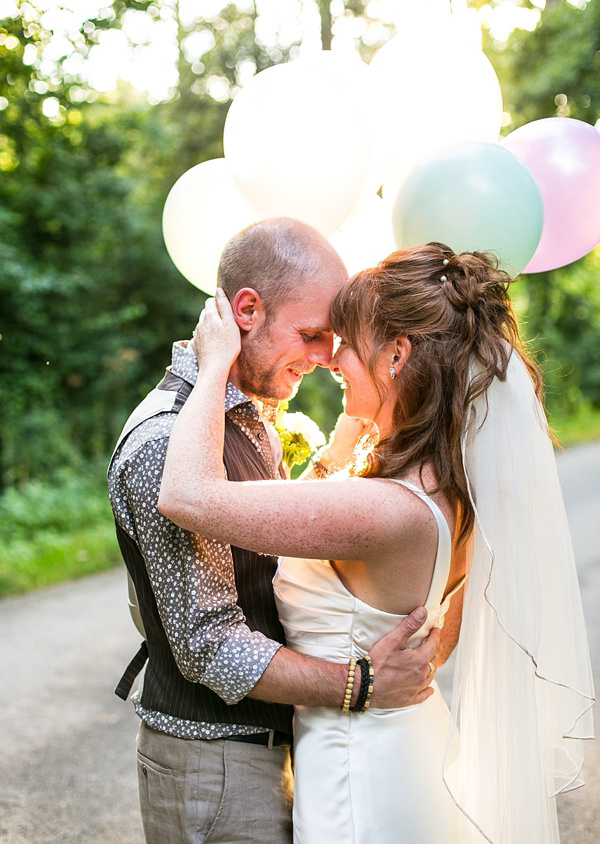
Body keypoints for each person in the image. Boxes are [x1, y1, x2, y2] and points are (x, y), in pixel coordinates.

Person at [158, 242, 595, 844]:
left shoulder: (386, 511)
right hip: (401, 743)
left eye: (347, 341)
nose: (332, 360)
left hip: (359, 773)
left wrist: (212, 364)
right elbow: (434, 645)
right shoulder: (449, 484)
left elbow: (186, 497)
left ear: (397, 354)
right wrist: (358, 428)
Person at [107, 218, 444, 844]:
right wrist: (361, 683)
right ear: (247, 310)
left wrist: (338, 450)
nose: (323, 357)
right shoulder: (165, 440)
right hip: (213, 763)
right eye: (312, 335)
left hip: (269, 751)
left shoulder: (247, 412)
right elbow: (211, 645)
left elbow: (274, 541)